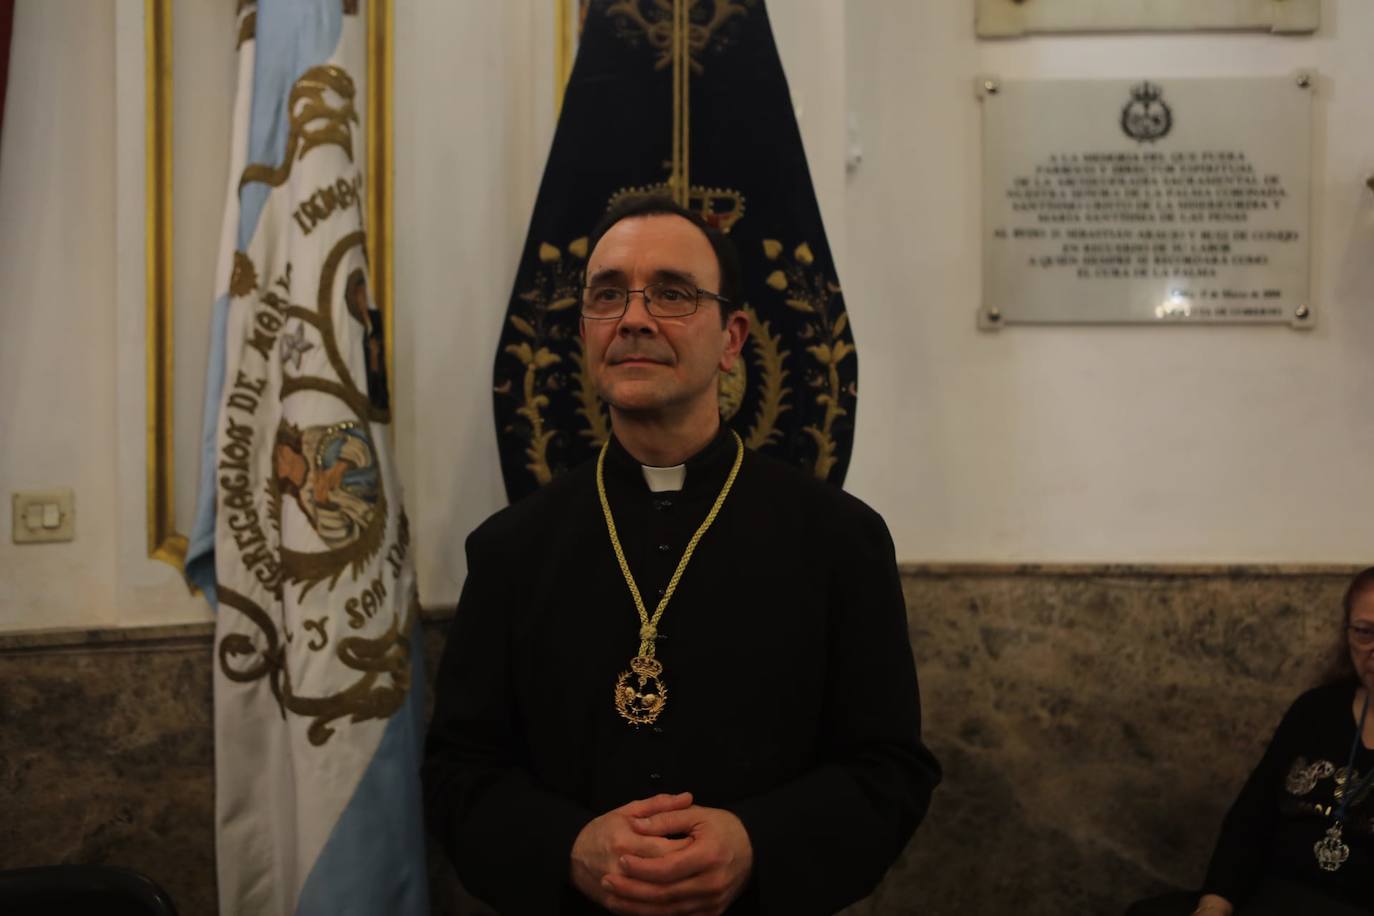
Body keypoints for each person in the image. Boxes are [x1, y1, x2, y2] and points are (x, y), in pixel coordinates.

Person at [423, 196, 940, 915]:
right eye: (608, 295)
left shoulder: (839, 540)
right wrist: (567, 846)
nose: (634, 318)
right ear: (585, 331)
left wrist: (756, 843)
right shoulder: (512, 549)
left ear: (731, 339)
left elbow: (889, 769)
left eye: (671, 293)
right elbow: (458, 771)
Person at [1129, 568, 1374, 916]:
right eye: (1365, 632)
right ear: (1346, 634)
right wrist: (1214, 905)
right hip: (1272, 895)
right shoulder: (1316, 709)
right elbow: (1251, 818)